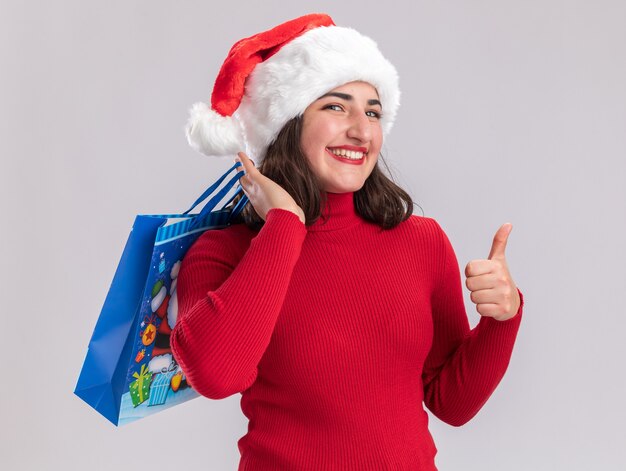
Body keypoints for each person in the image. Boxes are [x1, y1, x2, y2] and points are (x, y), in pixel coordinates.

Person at [171, 13, 524, 471]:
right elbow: (217, 375)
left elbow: (451, 403)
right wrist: (283, 226)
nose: (362, 130)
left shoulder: (422, 241)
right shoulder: (222, 252)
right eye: (336, 107)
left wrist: (503, 317)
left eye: (373, 111)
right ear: (287, 124)